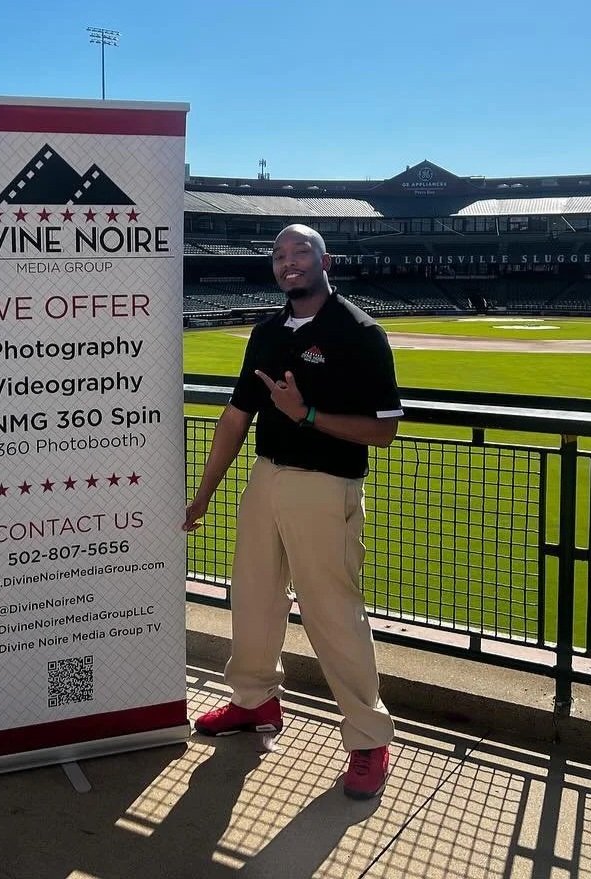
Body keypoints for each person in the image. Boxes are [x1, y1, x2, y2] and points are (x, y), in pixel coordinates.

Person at [183, 224, 402, 800]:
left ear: (325, 261)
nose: (288, 261)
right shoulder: (267, 333)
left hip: (327, 485)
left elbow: (383, 430)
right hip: (267, 477)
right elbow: (237, 416)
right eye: (279, 254)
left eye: (300, 251)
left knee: (332, 612)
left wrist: (305, 415)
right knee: (253, 596)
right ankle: (253, 702)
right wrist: (204, 493)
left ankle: (368, 738)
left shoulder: (359, 332)